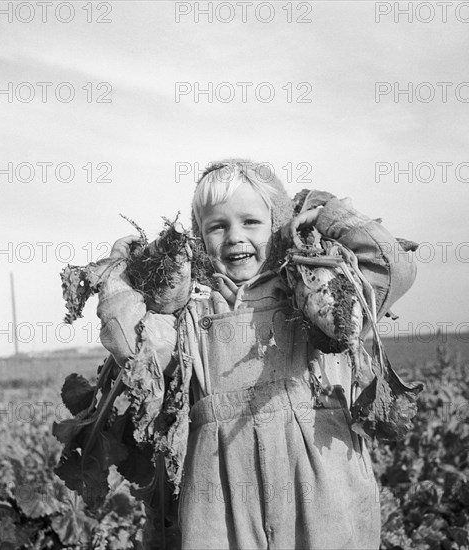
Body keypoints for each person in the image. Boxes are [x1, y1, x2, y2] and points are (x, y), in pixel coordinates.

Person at [97, 159, 416, 550]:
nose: (235, 237)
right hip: (220, 495)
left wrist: (329, 216)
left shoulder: (315, 290)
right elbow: (132, 348)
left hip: (321, 482)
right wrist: (120, 279)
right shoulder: (190, 314)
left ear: (278, 224)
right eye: (218, 226)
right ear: (199, 240)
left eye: (251, 222)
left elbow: (393, 267)